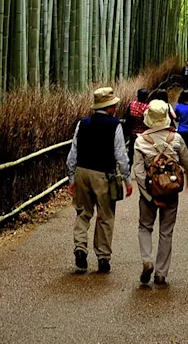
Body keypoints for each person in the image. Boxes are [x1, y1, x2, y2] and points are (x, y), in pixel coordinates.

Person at [66, 86, 133, 273]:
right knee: (105, 216)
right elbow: (120, 155)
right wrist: (127, 180)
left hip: (82, 171)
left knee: (82, 213)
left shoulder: (83, 123)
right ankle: (103, 257)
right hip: (104, 174)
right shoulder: (115, 125)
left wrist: (72, 177)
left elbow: (73, 152)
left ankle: (80, 247)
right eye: (113, 105)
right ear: (110, 107)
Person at [133, 99, 188, 285]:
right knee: (166, 232)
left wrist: (149, 196)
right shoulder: (175, 139)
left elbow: (137, 172)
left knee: (145, 227)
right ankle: (161, 273)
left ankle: (147, 261)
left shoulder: (140, 141)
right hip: (170, 191)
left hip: (149, 191)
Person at [124, 88, 151, 164]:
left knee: (131, 152)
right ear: (146, 97)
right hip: (144, 135)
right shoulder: (147, 108)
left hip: (133, 134)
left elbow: (127, 117)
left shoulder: (131, 104)